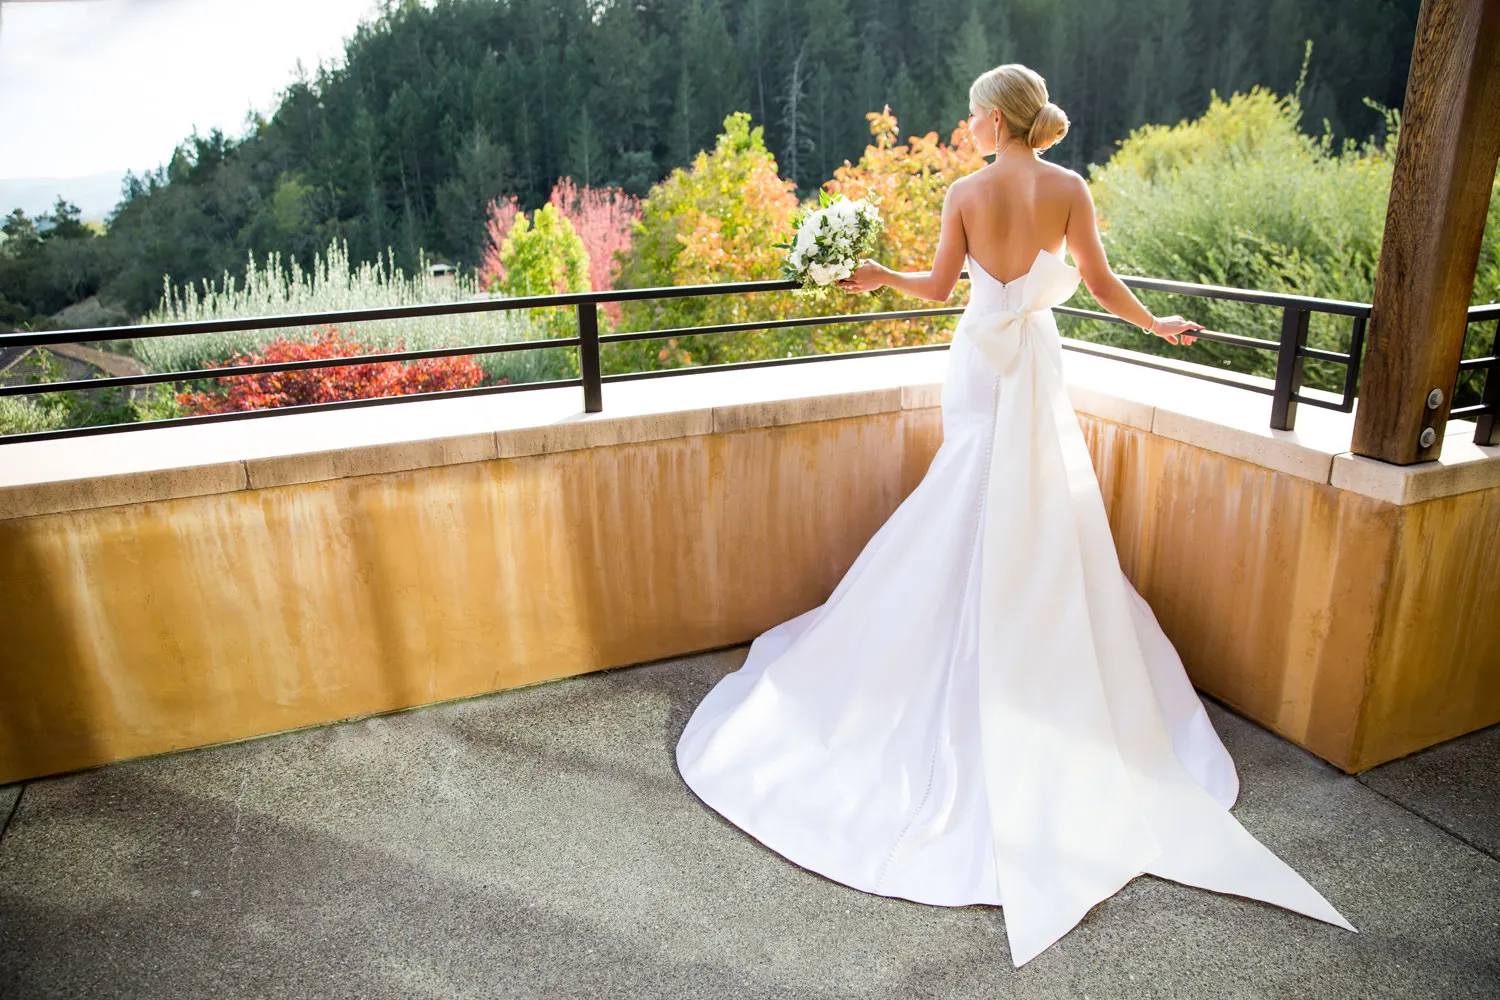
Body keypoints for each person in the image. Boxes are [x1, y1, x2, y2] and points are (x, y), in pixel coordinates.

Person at [674, 63, 1356, 968]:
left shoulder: (965, 190)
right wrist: (1156, 328)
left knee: (968, 486)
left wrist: (877, 272)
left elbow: (934, 288)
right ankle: (1032, 632)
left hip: (979, 364)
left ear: (996, 118)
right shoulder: (1069, 187)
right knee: (1036, 493)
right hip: (1037, 364)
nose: (964, 130)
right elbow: (1103, 284)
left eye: (969, 116)